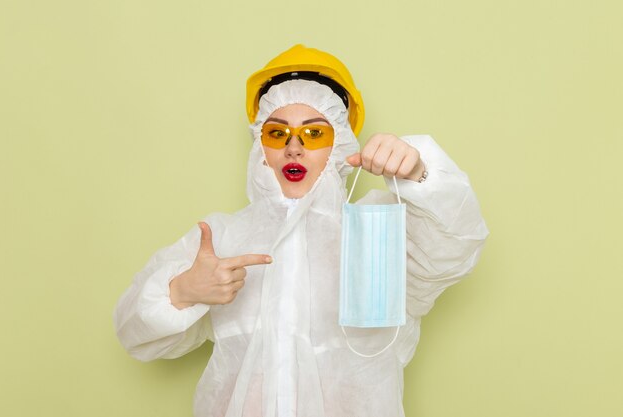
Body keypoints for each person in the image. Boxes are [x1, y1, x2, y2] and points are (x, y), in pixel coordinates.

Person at [114, 44, 489, 417]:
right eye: (278, 134)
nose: (293, 148)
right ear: (260, 144)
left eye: (313, 134)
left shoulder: (380, 231)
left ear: (340, 143)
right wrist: (183, 290)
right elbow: (134, 333)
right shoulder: (222, 239)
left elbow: (455, 247)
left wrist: (418, 173)